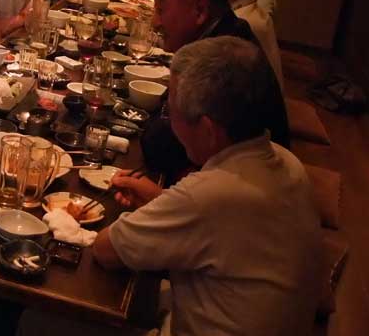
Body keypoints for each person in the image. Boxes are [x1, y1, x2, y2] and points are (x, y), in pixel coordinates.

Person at [18, 37, 322, 336]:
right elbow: (224, 231)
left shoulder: (209, 195)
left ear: (208, 129)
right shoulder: (286, 163)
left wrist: (165, 208)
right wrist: (162, 199)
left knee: (29, 319)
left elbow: (106, 250)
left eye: (171, 111)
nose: (168, 120)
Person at [141, 0, 289, 185]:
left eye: (161, 9)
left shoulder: (223, 61)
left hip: (244, 191)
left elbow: (160, 147)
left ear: (200, 10)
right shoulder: (229, 33)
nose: (155, 22)